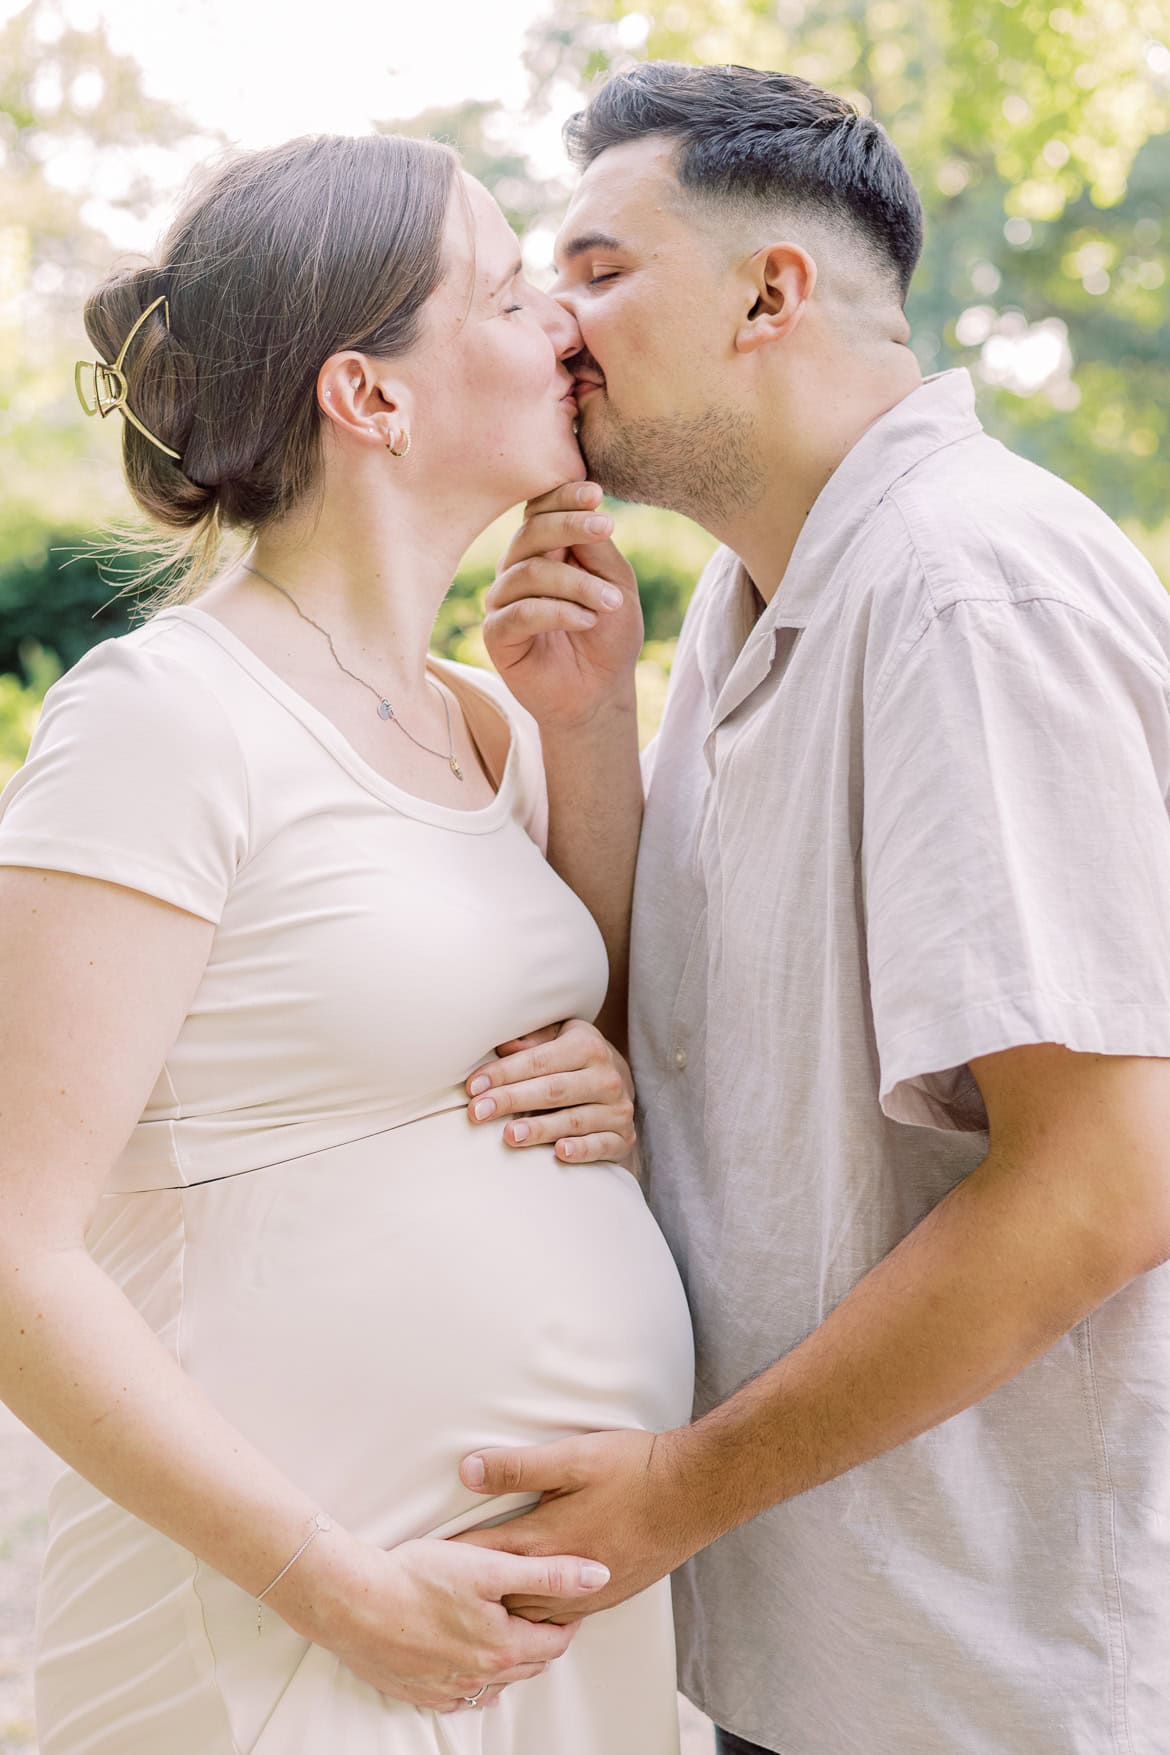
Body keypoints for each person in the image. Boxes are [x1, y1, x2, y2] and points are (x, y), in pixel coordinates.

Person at [452, 62, 1170, 1754]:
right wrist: (586, 734)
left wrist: (672, 1494)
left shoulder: (956, 593)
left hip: (1000, 1677)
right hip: (829, 1648)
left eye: (601, 269)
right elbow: (705, 1047)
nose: (556, 324)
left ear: (771, 291)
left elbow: (1105, 1178)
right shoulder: (752, 602)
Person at [0, 130, 696, 1755]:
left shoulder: (489, 720)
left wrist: (585, 737)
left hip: (535, 1629)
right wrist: (331, 1584)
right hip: (287, 1616)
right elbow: (8, 1245)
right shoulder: (164, 718)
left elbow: (595, 1039)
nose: (565, 332)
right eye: (514, 294)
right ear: (368, 397)